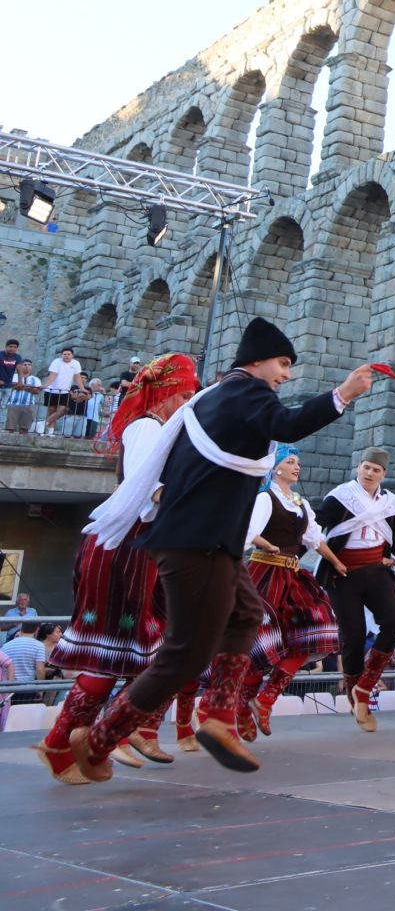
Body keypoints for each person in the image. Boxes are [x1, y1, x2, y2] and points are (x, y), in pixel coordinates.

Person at [67, 318, 371, 782]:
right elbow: (287, 422)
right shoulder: (244, 395)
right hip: (196, 542)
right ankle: (100, 738)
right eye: (283, 364)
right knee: (185, 652)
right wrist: (342, 394)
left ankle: (218, 717)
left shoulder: (219, 398)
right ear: (256, 361)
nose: (285, 375)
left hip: (210, 541)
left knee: (246, 616)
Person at [240, 445, 346, 737]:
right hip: (265, 573)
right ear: (276, 468)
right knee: (263, 643)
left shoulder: (300, 503)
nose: (297, 466)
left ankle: (266, 698)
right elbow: (248, 532)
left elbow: (315, 539)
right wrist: (267, 544)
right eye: (290, 461)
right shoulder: (265, 498)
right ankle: (242, 707)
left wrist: (336, 562)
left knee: (314, 629)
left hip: (293, 574)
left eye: (298, 462)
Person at [313, 447, 395, 733]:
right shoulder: (341, 497)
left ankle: (366, 685)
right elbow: (313, 525)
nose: (370, 473)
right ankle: (355, 698)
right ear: (358, 467)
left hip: (377, 571)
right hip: (342, 573)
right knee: (353, 637)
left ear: (384, 474)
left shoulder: (390, 503)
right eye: (366, 467)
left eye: (376, 469)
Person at [6, 361, 41, 434]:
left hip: (29, 404)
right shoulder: (14, 376)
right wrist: (29, 387)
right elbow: (13, 386)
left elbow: (37, 391)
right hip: (14, 403)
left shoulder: (36, 379)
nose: (27, 366)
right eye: (24, 365)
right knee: (11, 427)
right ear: (21, 367)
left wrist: (21, 386)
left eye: (29, 365)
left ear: (31, 367)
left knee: (24, 428)